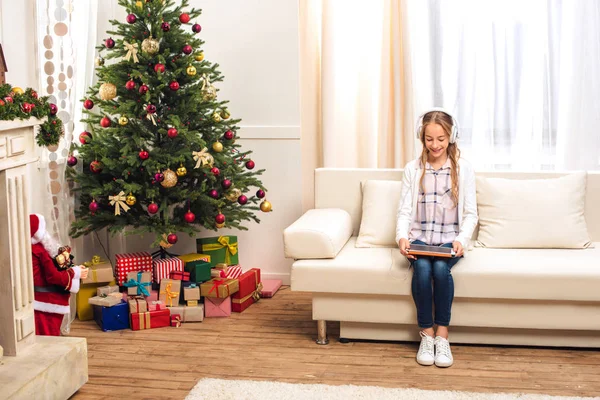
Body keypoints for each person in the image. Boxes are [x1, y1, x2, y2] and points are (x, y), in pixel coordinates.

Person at [395, 108, 478, 368]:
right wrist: (401, 238)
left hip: (448, 240)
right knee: (421, 269)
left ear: (451, 136)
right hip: (419, 238)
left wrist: (461, 240)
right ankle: (426, 334)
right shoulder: (413, 169)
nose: (435, 145)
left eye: (441, 138)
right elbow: (405, 209)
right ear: (422, 138)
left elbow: (471, 214)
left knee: (440, 270)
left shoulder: (462, 169)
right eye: (429, 139)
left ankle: (442, 335)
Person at [30, 213, 88, 336]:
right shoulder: (40, 251)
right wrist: (75, 272)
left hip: (40, 300)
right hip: (47, 301)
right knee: (49, 336)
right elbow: (53, 276)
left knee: (44, 335)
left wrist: (73, 268)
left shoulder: (35, 249)